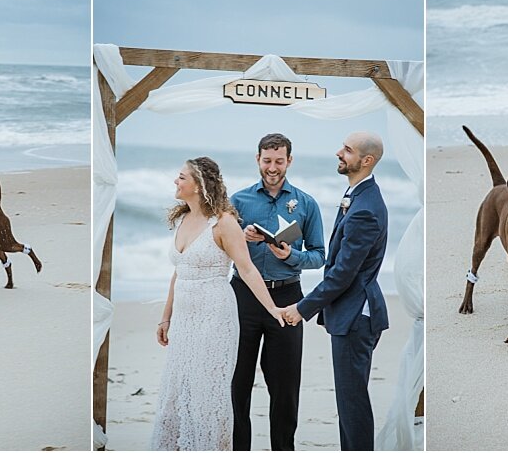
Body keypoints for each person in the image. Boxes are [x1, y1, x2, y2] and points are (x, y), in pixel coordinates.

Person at [150, 156, 287, 451]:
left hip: (214, 316)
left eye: (182, 177)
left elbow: (247, 269)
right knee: (178, 388)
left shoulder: (224, 222)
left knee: (208, 393)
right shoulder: (184, 218)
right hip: (184, 319)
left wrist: (272, 308)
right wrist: (166, 318)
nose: (176, 181)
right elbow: (179, 272)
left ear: (198, 186)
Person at [282, 132, 390, 451]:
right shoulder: (357, 194)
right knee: (349, 401)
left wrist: (302, 308)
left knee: (352, 403)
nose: (338, 153)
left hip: (356, 316)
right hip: (352, 312)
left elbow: (343, 273)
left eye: (347, 150)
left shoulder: (365, 209)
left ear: (366, 161)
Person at [229, 133, 325, 451]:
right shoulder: (239, 201)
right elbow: (219, 248)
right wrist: (240, 238)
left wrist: (291, 256)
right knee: (237, 381)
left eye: (279, 161)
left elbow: (319, 255)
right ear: (258, 159)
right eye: (267, 160)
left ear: (289, 161)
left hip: (288, 298)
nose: (273, 167)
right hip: (243, 296)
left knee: (285, 386)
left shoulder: (306, 203)